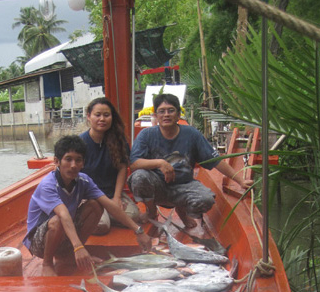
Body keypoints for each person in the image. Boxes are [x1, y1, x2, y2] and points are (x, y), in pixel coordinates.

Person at [24, 135, 151, 276]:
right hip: (39, 242)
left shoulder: (84, 180)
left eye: (78, 160)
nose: (73, 165)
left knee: (95, 205)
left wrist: (138, 230)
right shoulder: (48, 185)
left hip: (64, 233)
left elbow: (109, 205)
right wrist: (78, 247)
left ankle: (71, 254)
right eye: (68, 159)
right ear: (57, 161)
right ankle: (47, 263)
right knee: (58, 220)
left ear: (83, 163)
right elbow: (63, 214)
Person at [128, 93, 253, 233]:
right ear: (156, 115)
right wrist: (160, 163)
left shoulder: (191, 134)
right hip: (157, 187)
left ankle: (182, 211)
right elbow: (134, 163)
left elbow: (216, 161)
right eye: (161, 111)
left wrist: (240, 180)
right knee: (139, 177)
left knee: (206, 200)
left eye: (171, 110)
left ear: (178, 114)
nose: (166, 115)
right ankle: (151, 211)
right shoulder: (147, 135)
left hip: (184, 186)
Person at [80, 97, 141, 235]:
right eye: (97, 115)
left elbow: (121, 169)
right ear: (89, 116)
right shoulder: (80, 143)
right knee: (102, 226)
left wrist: (117, 197)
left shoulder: (118, 140)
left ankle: (107, 212)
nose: (102, 119)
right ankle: (102, 215)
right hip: (89, 197)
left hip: (110, 193)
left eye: (106, 115)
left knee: (133, 216)